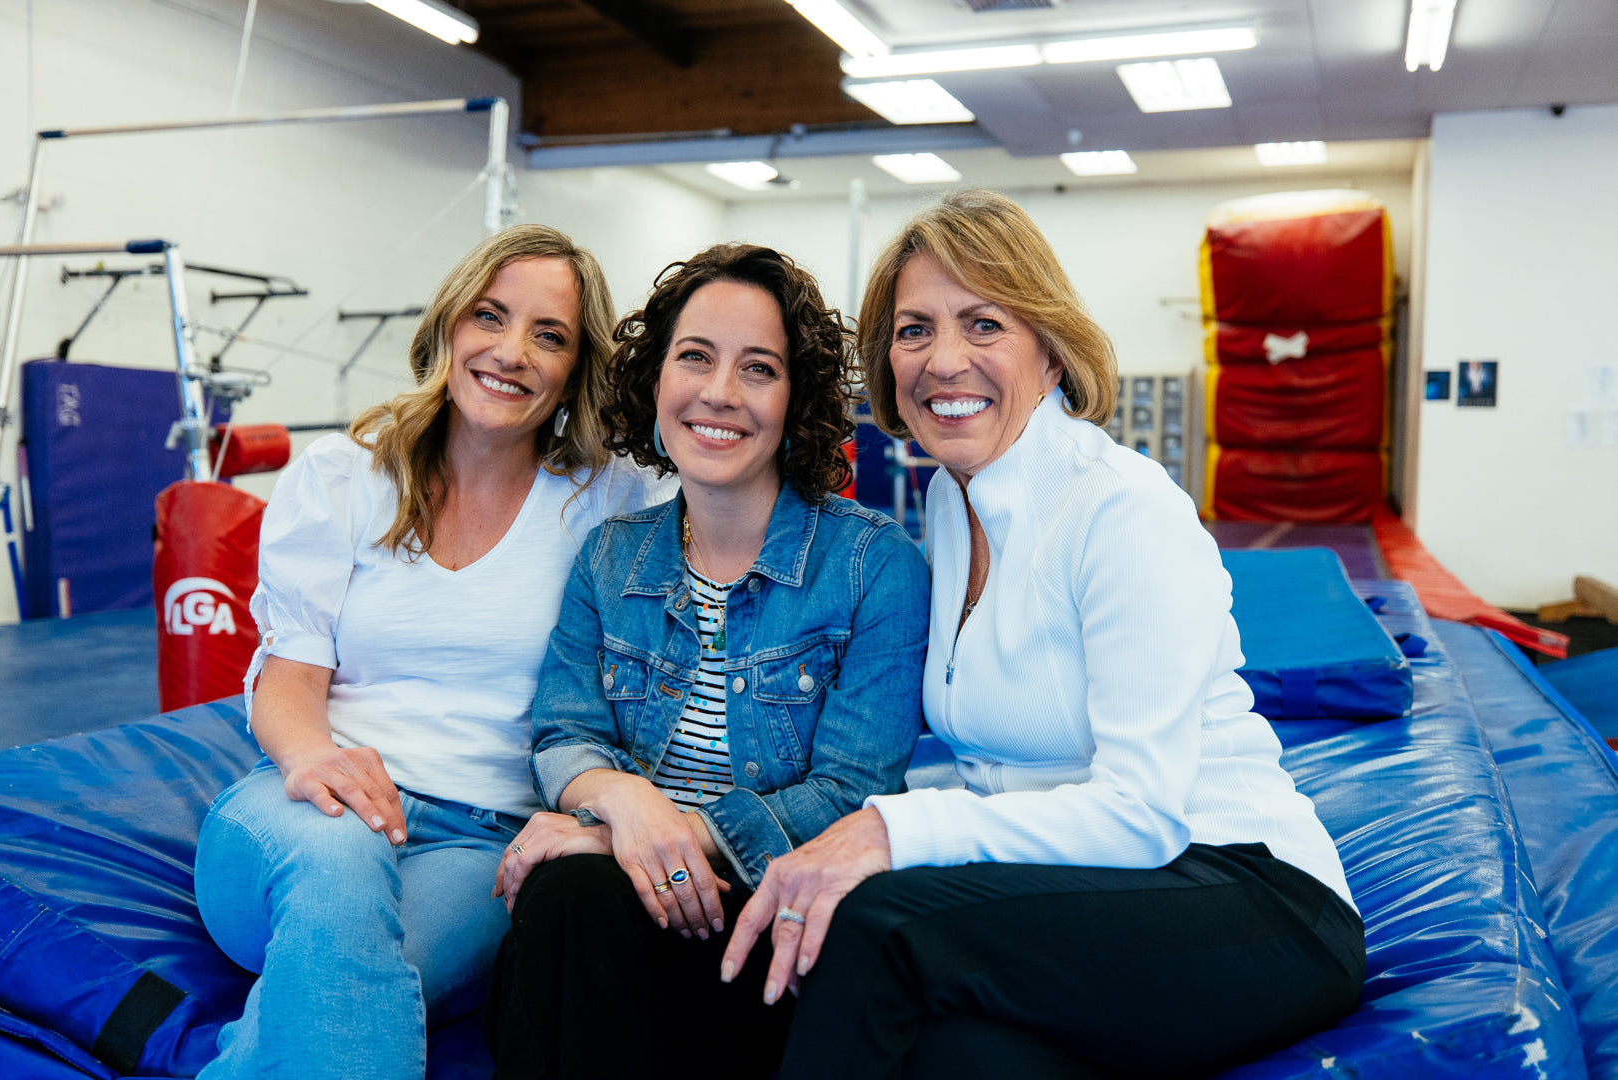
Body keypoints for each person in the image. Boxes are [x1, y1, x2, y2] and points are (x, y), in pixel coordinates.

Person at [722, 189, 1366, 1080]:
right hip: (1086, 891)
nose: (943, 360)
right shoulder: (950, 505)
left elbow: (1142, 814)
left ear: (1050, 352)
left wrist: (888, 832)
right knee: (957, 1055)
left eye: (982, 323)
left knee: (880, 923)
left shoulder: (1122, 509)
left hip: (1244, 893)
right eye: (913, 330)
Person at [192, 224, 675, 1080]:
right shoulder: (343, 475)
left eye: (549, 336)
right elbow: (290, 675)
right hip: (310, 812)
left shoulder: (609, 500)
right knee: (340, 878)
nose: (510, 351)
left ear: (575, 370)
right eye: (490, 316)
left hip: (481, 844)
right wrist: (312, 761)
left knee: (354, 981)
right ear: (450, 325)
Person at [482, 243, 930, 1080]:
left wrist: (668, 835)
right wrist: (620, 803)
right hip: (625, 900)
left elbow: (848, 794)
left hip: (777, 902)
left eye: (758, 368)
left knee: (575, 886)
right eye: (694, 357)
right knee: (561, 897)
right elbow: (564, 734)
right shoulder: (611, 559)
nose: (718, 393)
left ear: (794, 401)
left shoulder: (874, 567)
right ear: (656, 380)